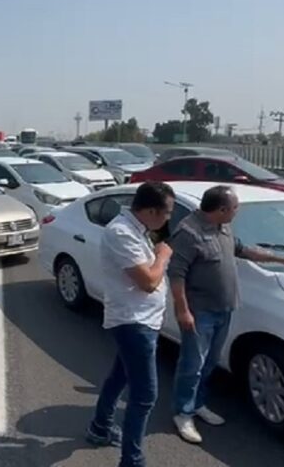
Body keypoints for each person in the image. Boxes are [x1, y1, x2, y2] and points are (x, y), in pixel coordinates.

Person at [168, 185, 284, 444]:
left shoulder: (223, 227)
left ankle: (197, 403)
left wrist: (283, 260)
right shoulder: (189, 232)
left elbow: (241, 249)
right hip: (200, 312)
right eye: (235, 207)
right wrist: (183, 310)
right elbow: (176, 275)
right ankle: (182, 413)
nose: (237, 212)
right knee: (192, 365)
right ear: (221, 209)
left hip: (223, 310)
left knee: (209, 363)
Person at [87, 182, 175, 467]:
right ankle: (132, 461)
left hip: (143, 320)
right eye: (167, 213)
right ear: (150, 211)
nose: (168, 219)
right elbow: (149, 282)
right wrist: (163, 256)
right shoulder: (121, 233)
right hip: (133, 322)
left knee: (119, 377)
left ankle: (100, 427)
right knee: (145, 396)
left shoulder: (138, 229)